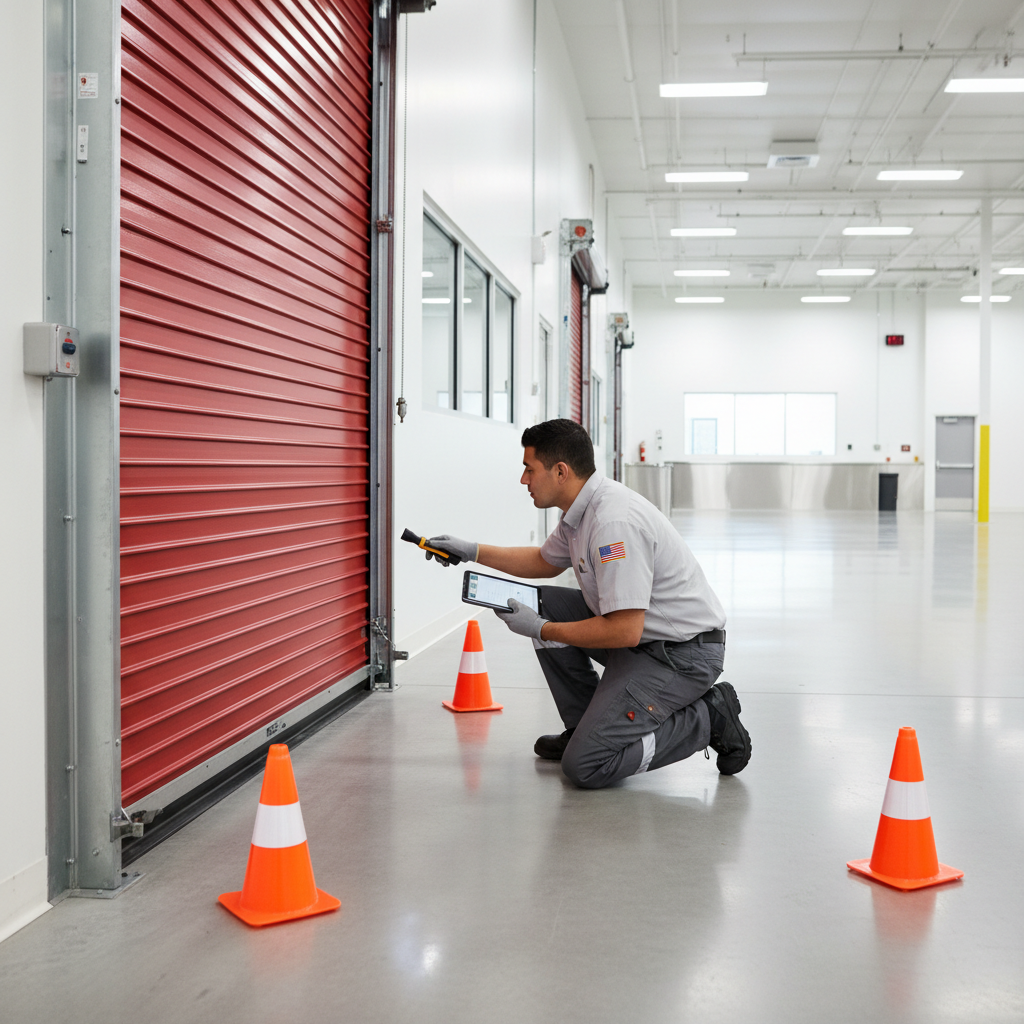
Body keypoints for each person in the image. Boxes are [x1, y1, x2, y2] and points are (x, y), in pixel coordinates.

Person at [422, 418, 750, 790]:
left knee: (586, 765)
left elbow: (625, 630)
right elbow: (544, 562)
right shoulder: (580, 512)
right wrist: (472, 551)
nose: (524, 480)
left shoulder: (613, 523)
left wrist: (540, 629)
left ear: (560, 472)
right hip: (645, 643)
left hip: (680, 656)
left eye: (530, 469)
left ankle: (709, 717)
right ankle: (583, 727)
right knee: (543, 602)